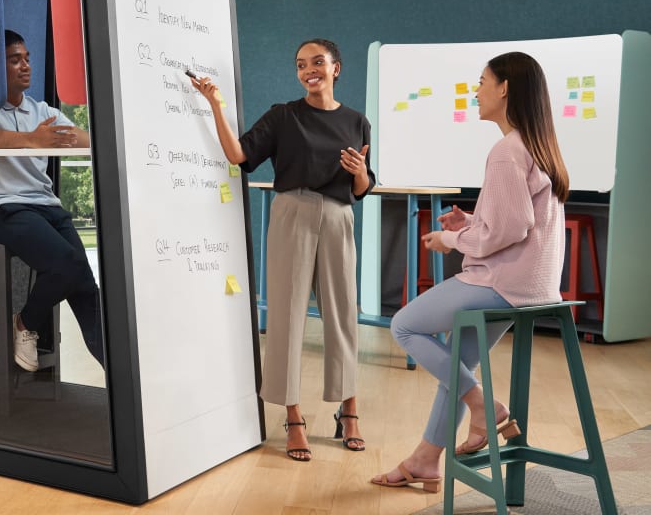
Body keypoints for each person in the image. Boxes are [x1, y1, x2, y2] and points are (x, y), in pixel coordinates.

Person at [371, 51, 569, 493]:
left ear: (504, 89)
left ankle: (483, 406)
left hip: (502, 284)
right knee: (456, 365)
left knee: (404, 326)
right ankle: (424, 461)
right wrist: (471, 225)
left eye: (482, 82)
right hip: (533, 287)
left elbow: (512, 227)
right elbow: (517, 222)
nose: (475, 90)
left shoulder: (505, 151)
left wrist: (451, 240)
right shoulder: (538, 146)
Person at [191, 38, 374, 462]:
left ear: (336, 68)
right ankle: (293, 417)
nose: (308, 70)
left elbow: (362, 188)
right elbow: (239, 155)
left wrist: (362, 173)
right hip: (292, 211)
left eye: (317, 62)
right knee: (288, 316)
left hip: (339, 216)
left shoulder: (357, 121)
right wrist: (214, 106)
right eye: (300, 65)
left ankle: (349, 411)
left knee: (343, 314)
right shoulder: (284, 116)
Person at [0, 29, 105, 371]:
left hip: (47, 207)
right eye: (14, 60)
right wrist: (31, 140)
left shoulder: (42, 111)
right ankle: (25, 323)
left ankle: (121, 376)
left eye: (27, 58)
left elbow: (83, 139)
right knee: (67, 263)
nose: (25, 66)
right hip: (3, 208)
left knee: (85, 286)